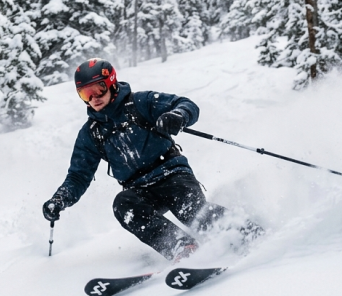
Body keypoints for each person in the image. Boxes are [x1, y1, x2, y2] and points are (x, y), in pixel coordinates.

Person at [42, 58, 260, 261]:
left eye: (98, 89)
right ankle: (181, 247)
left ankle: (245, 231)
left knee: (190, 211)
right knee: (123, 205)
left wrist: (178, 116)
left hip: (172, 175)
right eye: (85, 94)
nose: (94, 98)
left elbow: (186, 104)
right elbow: (78, 176)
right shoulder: (91, 133)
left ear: (111, 84)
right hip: (140, 190)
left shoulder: (140, 103)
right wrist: (60, 200)